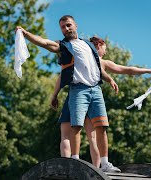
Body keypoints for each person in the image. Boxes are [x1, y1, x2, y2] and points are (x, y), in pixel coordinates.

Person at [15, 15, 120, 172]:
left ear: (75, 25)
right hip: (78, 90)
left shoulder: (88, 45)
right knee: (76, 126)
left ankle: (105, 164)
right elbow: (45, 43)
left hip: (96, 90)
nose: (66, 29)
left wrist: (109, 78)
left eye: (68, 25)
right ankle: (74, 162)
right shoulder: (63, 46)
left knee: (102, 127)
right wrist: (26, 34)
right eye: (63, 27)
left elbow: (96, 67)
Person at [51, 36, 151, 170]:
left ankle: (68, 165)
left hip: (75, 96)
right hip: (87, 97)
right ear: (98, 46)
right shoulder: (100, 61)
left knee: (66, 135)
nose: (105, 52)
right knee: (93, 136)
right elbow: (125, 69)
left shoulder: (77, 57)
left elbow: (62, 77)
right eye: (104, 49)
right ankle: (97, 167)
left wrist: (54, 95)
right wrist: (147, 70)